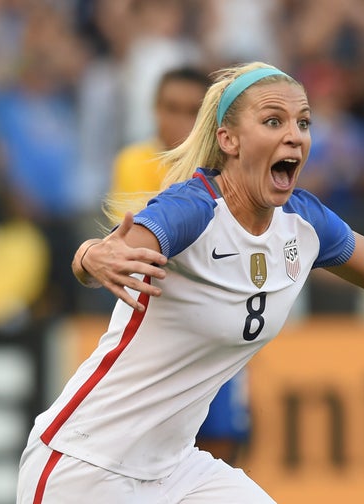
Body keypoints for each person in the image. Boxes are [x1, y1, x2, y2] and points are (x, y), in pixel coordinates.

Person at [16, 61, 364, 503]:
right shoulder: (193, 207)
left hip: (173, 469)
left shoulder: (305, 223)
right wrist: (92, 256)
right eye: (274, 121)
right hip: (82, 465)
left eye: (303, 122)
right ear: (228, 140)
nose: (295, 135)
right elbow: (118, 250)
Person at [109, 65, 251, 465]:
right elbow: (142, 242)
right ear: (155, 110)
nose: (181, 121)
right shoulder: (136, 161)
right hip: (156, 316)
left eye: (193, 111)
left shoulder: (226, 167)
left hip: (215, 316)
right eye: (171, 108)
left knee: (222, 443)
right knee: (142, 447)